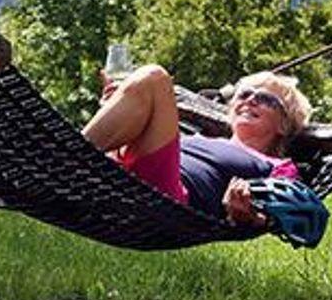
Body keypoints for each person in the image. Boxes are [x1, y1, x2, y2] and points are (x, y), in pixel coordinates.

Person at [80, 63, 311, 229]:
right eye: (244, 94)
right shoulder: (200, 139)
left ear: (284, 124)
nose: (251, 100)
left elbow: (289, 215)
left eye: (266, 99)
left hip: (169, 200)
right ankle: (73, 159)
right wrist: (119, 108)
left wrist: (248, 218)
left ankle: (73, 156)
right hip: (122, 175)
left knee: (155, 78)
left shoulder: (277, 166)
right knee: (142, 92)